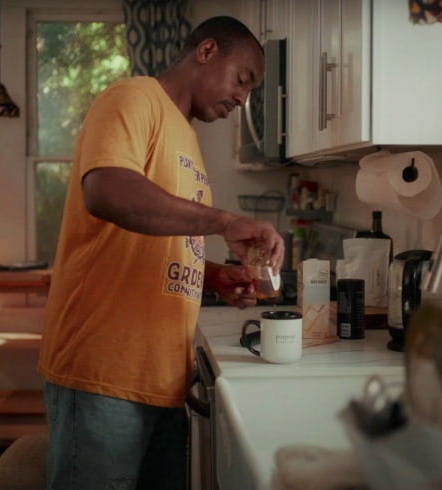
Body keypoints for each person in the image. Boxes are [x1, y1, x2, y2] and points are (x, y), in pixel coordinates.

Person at [38, 15, 284, 490]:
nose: (242, 98)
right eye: (242, 80)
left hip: (163, 378)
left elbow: (154, 240)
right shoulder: (132, 98)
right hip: (103, 373)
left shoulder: (185, 137)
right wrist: (224, 221)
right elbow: (107, 191)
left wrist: (212, 276)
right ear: (207, 51)